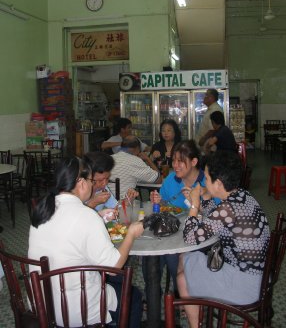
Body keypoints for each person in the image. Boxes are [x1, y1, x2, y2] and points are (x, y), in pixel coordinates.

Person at [28, 156, 144, 327]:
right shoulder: (85, 215)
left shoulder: (43, 211)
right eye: (91, 180)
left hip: (42, 304)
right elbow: (113, 267)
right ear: (81, 183)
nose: (92, 185)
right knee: (134, 297)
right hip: (77, 310)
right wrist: (131, 234)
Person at [177, 151, 270, 328]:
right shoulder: (243, 195)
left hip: (243, 286)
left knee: (182, 276)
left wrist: (195, 204)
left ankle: (193, 314)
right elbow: (216, 219)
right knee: (186, 258)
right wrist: (205, 197)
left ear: (218, 183)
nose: (204, 181)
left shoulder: (228, 208)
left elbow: (190, 237)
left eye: (206, 177)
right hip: (259, 277)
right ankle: (192, 301)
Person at [149, 140, 211, 294]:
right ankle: (154, 296)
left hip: (199, 236)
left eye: (180, 161)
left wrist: (195, 203)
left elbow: (214, 215)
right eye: (174, 160)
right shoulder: (171, 179)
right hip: (173, 232)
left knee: (172, 256)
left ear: (194, 161)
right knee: (151, 258)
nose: (175, 165)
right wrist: (158, 200)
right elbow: (164, 202)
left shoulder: (207, 181)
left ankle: (180, 295)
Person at [109, 135, 162, 200]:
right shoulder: (135, 161)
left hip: (105, 202)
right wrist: (148, 159)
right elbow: (158, 179)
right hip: (124, 204)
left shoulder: (109, 158)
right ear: (137, 148)